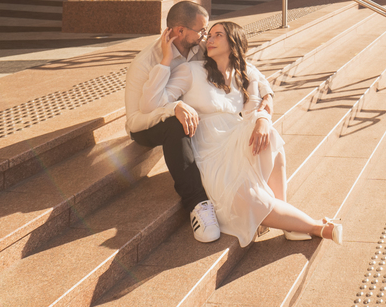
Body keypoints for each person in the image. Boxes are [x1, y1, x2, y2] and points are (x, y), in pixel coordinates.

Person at [143, 20, 343, 248]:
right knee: (248, 197)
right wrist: (168, 68)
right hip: (209, 149)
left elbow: (256, 103)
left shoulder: (243, 73)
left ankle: (290, 221)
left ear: (233, 42)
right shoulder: (191, 71)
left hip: (236, 138)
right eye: (209, 35)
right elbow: (151, 103)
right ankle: (314, 226)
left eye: (218, 35)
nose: (209, 39)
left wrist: (263, 120)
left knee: (269, 136)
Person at [124, 0, 220, 242]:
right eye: (201, 30)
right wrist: (173, 108)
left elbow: (237, 65)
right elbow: (138, 116)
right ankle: (198, 204)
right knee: (176, 125)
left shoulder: (199, 49)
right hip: (146, 127)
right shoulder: (145, 61)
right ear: (179, 31)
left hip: (189, 118)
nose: (205, 35)